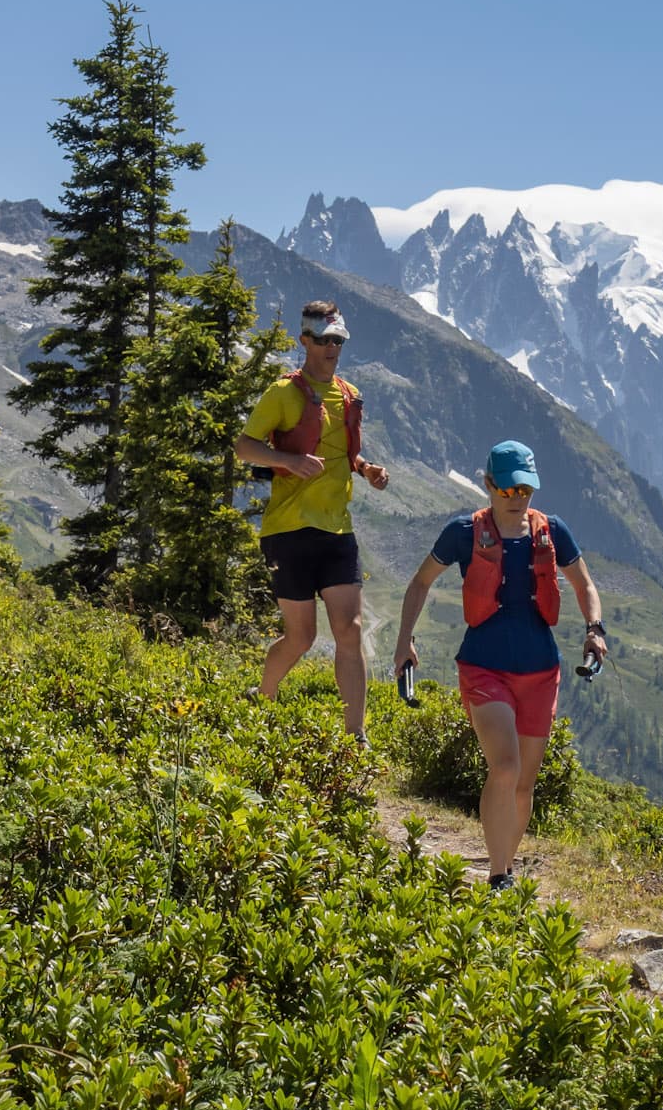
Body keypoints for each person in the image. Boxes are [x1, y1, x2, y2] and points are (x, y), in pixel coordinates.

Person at [392, 439, 607, 889]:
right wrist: (404, 641)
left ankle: (506, 865)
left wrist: (595, 628)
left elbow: (585, 584)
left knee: (525, 782)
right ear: (488, 484)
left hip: (540, 671)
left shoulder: (553, 531)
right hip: (483, 667)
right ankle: (496, 875)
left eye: (524, 490)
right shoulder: (462, 532)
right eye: (507, 490)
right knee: (505, 767)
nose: (517, 499)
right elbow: (419, 583)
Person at [235, 300, 389, 742]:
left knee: (350, 629)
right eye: (322, 340)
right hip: (287, 531)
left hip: (337, 531)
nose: (331, 348)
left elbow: (346, 453)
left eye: (337, 340)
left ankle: (354, 736)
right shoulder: (283, 392)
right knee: (301, 638)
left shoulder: (349, 394)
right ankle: (263, 694)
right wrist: (289, 460)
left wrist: (366, 469)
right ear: (305, 341)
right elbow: (245, 447)